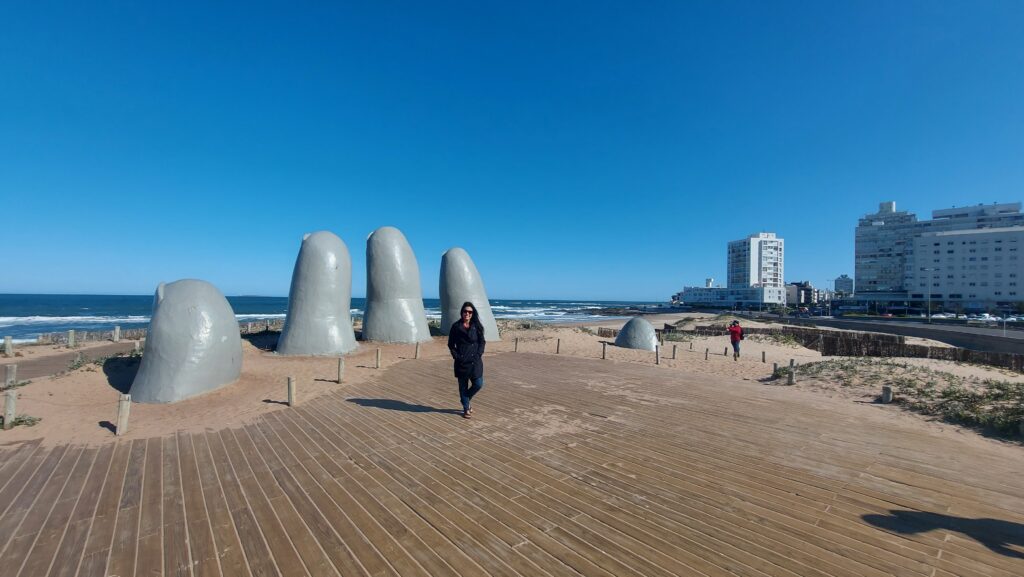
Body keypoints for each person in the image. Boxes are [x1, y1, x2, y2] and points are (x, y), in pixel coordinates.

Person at [448, 301, 485, 418]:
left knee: (478, 384)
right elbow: (450, 344)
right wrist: (457, 356)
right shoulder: (456, 327)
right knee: (463, 386)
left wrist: (479, 353)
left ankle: (465, 399)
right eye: (465, 311)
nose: (467, 314)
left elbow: (482, 342)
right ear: (462, 313)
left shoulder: (476, 326)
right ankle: (466, 408)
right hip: (462, 362)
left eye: (470, 312)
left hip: (475, 361)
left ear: (473, 313)